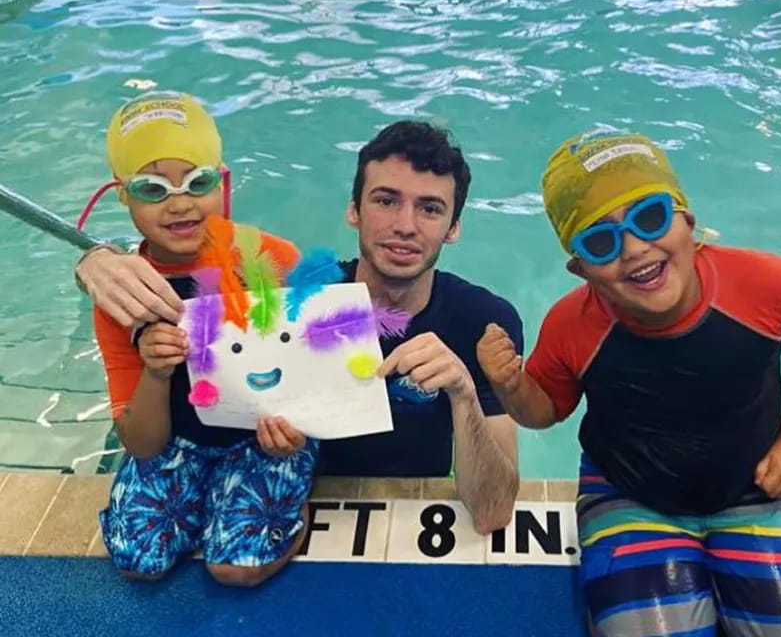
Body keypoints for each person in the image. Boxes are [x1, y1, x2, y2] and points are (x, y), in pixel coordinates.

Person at [477, 131, 781, 636]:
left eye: (650, 217)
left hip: (752, 489)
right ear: (580, 268)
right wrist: (510, 385)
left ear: (688, 224)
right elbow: (545, 409)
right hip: (629, 493)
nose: (633, 248)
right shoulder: (573, 325)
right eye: (600, 241)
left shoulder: (766, 286)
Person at [78, 120, 522, 535]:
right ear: (354, 211)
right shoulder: (291, 296)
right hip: (289, 495)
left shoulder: (483, 323)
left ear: (454, 228)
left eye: (429, 208)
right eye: (386, 201)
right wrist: (96, 259)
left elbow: (492, 513)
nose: (404, 226)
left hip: (407, 505)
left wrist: (463, 394)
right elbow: (189, 260)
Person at [93, 92, 315, 586]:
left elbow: (317, 378)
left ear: (223, 183)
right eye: (152, 189)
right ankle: (212, 497)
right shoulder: (122, 293)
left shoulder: (273, 260)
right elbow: (142, 444)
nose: (179, 204)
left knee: (235, 568)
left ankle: (286, 519)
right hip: (178, 442)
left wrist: (296, 436)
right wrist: (156, 371)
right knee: (138, 560)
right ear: (123, 195)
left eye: (199, 182)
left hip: (264, 438)